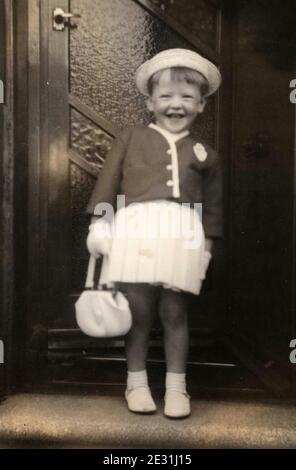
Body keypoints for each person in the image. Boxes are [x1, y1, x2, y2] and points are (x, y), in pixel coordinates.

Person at [85, 48, 222, 418]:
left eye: (187, 97)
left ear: (201, 105)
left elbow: (211, 210)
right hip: (137, 232)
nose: (176, 104)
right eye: (165, 96)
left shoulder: (205, 153)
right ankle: (137, 382)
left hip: (183, 236)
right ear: (150, 101)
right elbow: (107, 186)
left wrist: (204, 252)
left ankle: (178, 389)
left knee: (175, 313)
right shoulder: (131, 138)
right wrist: (100, 224)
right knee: (139, 313)